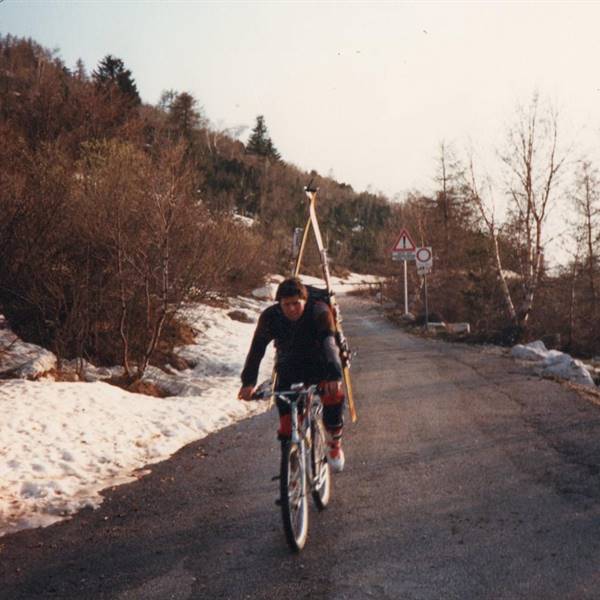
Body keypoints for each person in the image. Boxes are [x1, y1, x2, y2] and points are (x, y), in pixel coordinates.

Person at [238, 277, 346, 472]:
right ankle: (291, 461)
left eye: (297, 303)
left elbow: (330, 345)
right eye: (287, 304)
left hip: (320, 364)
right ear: (279, 304)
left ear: (304, 300)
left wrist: (334, 376)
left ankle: (334, 444)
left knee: (333, 397)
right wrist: (248, 382)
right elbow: (256, 350)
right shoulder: (271, 317)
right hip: (289, 368)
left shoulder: (319, 311)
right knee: (287, 427)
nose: (292, 309)